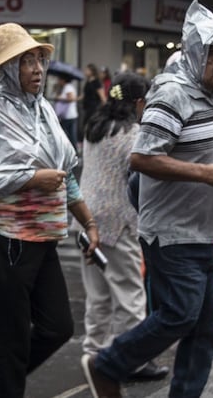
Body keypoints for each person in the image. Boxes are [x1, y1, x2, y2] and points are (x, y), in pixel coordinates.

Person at [80, 0, 213, 398]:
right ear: (194, 54)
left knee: (204, 326)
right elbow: (142, 158)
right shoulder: (172, 95)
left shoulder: (212, 99)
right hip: (173, 235)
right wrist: (209, 173)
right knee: (179, 315)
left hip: (207, 233)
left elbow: (196, 155)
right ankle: (108, 364)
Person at [0, 22, 100, 398]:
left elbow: (63, 173)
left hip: (43, 237)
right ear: (7, 69)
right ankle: (1, 382)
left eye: (39, 60)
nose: (38, 69)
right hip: (3, 239)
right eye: (26, 61)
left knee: (58, 327)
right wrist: (31, 178)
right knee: (11, 343)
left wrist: (87, 220)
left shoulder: (42, 111)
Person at [72, 71, 169, 383]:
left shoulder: (95, 126)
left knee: (98, 294)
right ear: (139, 102)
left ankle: (94, 353)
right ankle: (131, 360)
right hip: (117, 222)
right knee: (129, 295)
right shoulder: (133, 134)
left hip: (85, 218)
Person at [80, 63, 107, 137]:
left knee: (91, 126)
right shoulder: (88, 82)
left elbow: (102, 97)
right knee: (85, 126)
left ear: (92, 71)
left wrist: (105, 108)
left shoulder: (96, 82)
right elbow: (84, 95)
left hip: (94, 108)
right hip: (87, 107)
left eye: (87, 70)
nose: (85, 71)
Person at [52, 73, 79, 148]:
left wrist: (59, 98)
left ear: (63, 80)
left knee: (68, 134)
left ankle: (72, 149)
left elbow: (71, 98)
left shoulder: (68, 87)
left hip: (68, 115)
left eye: (59, 79)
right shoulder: (66, 87)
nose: (58, 81)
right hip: (68, 115)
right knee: (70, 134)